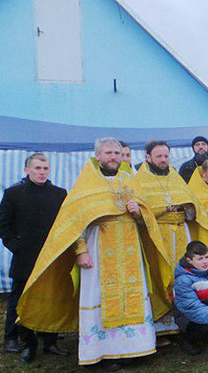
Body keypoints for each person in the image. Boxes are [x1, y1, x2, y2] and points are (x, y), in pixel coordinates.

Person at [16, 138, 173, 370]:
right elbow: (73, 223)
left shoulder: (130, 179)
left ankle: (133, 349)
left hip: (130, 250)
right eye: (108, 153)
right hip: (98, 249)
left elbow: (146, 217)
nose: (113, 157)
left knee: (132, 296)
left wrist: (139, 212)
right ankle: (102, 354)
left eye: (117, 153)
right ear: (97, 156)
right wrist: (80, 251)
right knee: (99, 297)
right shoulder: (86, 183)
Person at [0, 153, 68, 361]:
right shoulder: (13, 193)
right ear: (27, 169)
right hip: (25, 257)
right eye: (37, 168)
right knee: (20, 299)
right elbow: (4, 224)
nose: (42, 172)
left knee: (50, 299)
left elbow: (66, 223)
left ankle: (50, 341)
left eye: (45, 168)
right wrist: (16, 246)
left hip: (51, 258)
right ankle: (24, 341)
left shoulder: (59, 193)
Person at [129, 140, 208, 263]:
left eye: (166, 156)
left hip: (181, 232)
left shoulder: (176, 178)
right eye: (159, 156)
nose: (163, 159)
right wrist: (166, 208)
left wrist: (186, 206)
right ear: (148, 157)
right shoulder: (139, 180)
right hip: (157, 235)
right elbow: (140, 214)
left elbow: (193, 209)